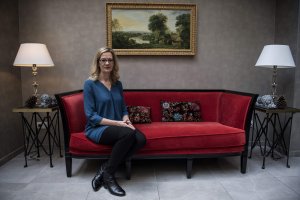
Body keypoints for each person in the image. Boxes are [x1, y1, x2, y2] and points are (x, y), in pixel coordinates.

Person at [83, 47, 146, 197]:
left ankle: (105, 169)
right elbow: (91, 116)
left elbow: (123, 108)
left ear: (114, 63)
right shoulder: (90, 84)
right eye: (103, 60)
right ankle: (109, 177)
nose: (107, 63)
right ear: (98, 62)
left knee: (141, 139)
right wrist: (119, 124)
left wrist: (126, 119)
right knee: (127, 134)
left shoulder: (117, 84)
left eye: (110, 60)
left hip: (120, 126)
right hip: (98, 128)